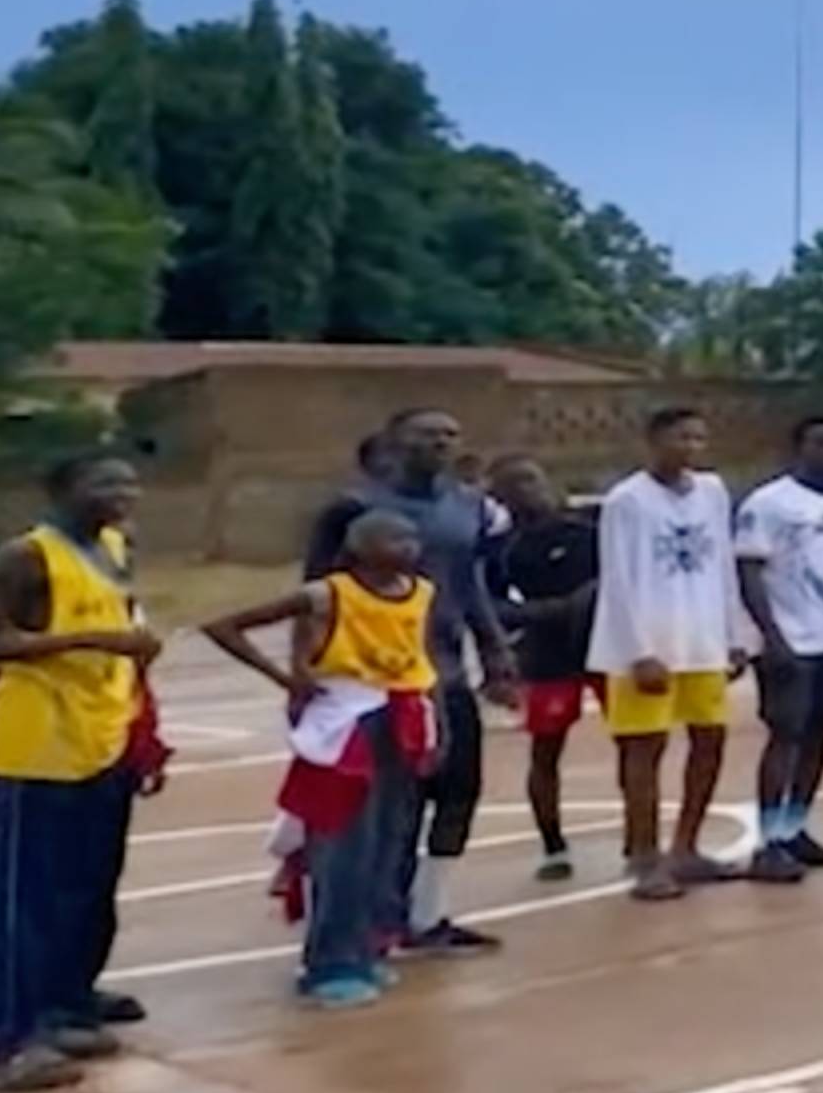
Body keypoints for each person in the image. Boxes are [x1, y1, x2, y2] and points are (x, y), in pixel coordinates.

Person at [0, 451, 161, 1093]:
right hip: (37, 747)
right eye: (105, 481)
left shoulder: (114, 547)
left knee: (88, 886)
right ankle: (4, 1044)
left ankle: (67, 1004)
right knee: (23, 901)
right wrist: (90, 643)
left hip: (101, 735)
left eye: (129, 480)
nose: (123, 491)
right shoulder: (26, 557)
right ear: (61, 488)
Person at [206, 504, 444, 1007]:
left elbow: (419, 660)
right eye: (394, 539)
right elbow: (225, 626)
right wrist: (288, 679)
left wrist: (433, 723)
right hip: (345, 726)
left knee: (384, 844)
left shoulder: (421, 593)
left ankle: (363, 949)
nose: (408, 547)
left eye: (412, 538)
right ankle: (328, 963)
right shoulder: (327, 594)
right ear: (360, 548)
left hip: (400, 720)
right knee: (341, 848)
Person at [304, 409, 507, 958]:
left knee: (459, 790)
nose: (440, 442)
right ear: (395, 443)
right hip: (378, 681)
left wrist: (494, 648)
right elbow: (316, 594)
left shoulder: (467, 506)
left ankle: (428, 912)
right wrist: (308, 675)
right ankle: (373, 919)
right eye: (426, 433)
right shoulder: (355, 508)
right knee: (392, 806)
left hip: (446, 671)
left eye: (450, 433)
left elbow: (471, 583)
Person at [589, 405, 742, 900]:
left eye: (699, 439)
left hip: (702, 639)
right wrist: (638, 649)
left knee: (710, 739)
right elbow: (618, 578)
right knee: (644, 749)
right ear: (654, 441)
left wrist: (733, 632)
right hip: (649, 644)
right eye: (682, 438)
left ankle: (688, 846)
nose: (692, 448)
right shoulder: (626, 501)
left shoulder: (713, 492)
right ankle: (643, 855)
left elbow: (723, 564)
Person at [734, 415, 823, 884]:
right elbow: (750, 571)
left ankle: (796, 829)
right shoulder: (768, 504)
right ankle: (768, 842)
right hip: (792, 640)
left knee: (820, 735)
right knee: (786, 735)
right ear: (798, 448)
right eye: (821, 443)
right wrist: (772, 637)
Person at [479, 455, 602, 881]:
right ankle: (553, 845)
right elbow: (490, 606)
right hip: (548, 655)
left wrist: (590, 599)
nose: (526, 490)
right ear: (498, 496)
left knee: (637, 742)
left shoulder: (588, 530)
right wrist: (547, 612)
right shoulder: (501, 550)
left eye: (531, 479)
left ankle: (641, 842)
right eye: (511, 485)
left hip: (605, 647)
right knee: (546, 750)